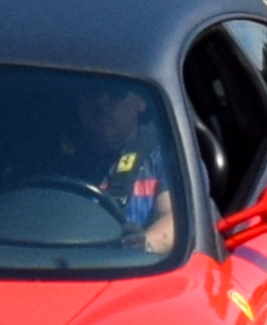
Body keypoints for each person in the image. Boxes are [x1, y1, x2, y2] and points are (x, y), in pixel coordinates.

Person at [43, 80, 176, 253]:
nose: (102, 103)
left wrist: (144, 243)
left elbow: (176, 219)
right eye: (92, 92)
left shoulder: (167, 156)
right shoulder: (52, 160)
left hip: (138, 273)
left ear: (141, 102)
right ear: (80, 103)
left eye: (116, 93)